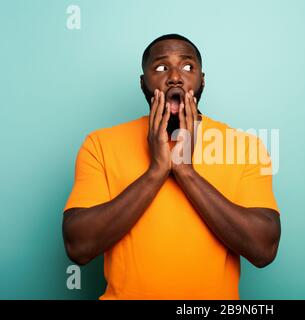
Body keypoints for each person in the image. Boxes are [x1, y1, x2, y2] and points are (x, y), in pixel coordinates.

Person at [62, 34, 281, 300]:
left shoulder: (244, 146)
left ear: (202, 80)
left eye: (188, 67)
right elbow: (78, 247)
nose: (175, 77)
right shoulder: (99, 144)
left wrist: (186, 172)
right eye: (161, 67)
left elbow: (263, 249)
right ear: (143, 83)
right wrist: (156, 172)